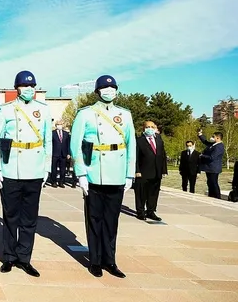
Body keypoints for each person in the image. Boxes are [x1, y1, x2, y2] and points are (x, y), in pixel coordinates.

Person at [70, 74, 136, 279]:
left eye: (113, 88)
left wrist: (129, 174)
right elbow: (75, 145)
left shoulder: (125, 115)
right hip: (94, 172)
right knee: (95, 219)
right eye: (105, 89)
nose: (109, 91)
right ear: (97, 91)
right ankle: (95, 260)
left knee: (111, 220)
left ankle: (110, 260)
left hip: (117, 172)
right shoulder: (86, 114)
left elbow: (131, 145)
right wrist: (81, 173)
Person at [0, 70, 51, 277]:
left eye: (32, 86)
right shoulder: (6, 109)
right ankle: (9, 257)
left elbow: (47, 141)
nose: (29, 89)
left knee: (29, 219)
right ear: (17, 88)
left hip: (34, 169)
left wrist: (46, 168)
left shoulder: (43, 109)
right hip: (11, 169)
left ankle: (24, 258)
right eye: (25, 86)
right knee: (10, 216)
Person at [134, 121, 167, 221]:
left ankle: (151, 211)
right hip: (143, 172)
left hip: (156, 172)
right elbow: (135, 157)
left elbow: (163, 156)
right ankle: (140, 212)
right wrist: (136, 170)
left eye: (152, 127)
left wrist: (163, 170)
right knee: (141, 193)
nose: (150, 129)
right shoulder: (139, 141)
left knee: (153, 193)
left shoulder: (159, 140)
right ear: (143, 128)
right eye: (148, 127)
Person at [197, 130, 225, 199]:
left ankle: (217, 197)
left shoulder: (219, 146)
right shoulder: (213, 144)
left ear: (218, 138)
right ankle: (211, 196)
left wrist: (202, 155)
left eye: (213, 137)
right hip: (209, 167)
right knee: (209, 182)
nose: (211, 138)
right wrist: (200, 134)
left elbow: (212, 157)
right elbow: (205, 142)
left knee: (214, 183)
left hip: (214, 168)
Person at [50, 120, 70, 188]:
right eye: (58, 124)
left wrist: (68, 153)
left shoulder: (66, 134)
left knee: (63, 169)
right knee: (54, 169)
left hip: (63, 154)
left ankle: (61, 182)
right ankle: (54, 182)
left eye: (61, 124)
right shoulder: (52, 133)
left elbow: (68, 144)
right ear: (56, 125)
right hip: (55, 153)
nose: (59, 126)